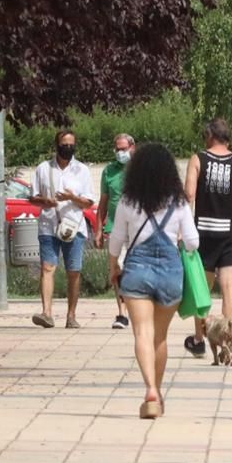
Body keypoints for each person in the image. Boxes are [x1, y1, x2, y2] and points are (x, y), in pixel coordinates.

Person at [107, 143, 200, 418]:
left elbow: (116, 242)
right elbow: (193, 242)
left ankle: (149, 389)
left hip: (137, 270)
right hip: (171, 273)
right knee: (160, 338)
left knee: (142, 334)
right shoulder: (180, 202)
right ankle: (158, 393)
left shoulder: (127, 201)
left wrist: (114, 266)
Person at [184, 118, 232, 357]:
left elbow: (189, 195)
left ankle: (200, 339)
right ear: (228, 138)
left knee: (202, 287)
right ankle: (228, 338)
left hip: (204, 231)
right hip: (231, 233)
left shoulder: (198, 159)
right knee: (229, 285)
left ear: (209, 136)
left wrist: (183, 230)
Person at [31, 128, 96, 329]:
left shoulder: (82, 170)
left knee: (73, 272)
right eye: (64, 144)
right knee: (47, 268)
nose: (68, 148)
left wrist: (72, 198)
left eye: (71, 145)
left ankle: (71, 315)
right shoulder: (43, 168)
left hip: (73, 226)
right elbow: (33, 197)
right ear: (56, 145)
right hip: (48, 225)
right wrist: (45, 201)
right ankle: (47, 313)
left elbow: (88, 202)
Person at [97, 132, 136, 330]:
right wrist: (98, 229)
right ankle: (122, 314)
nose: (120, 152)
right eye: (118, 149)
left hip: (137, 227)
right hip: (114, 227)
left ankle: (137, 309)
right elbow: (102, 202)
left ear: (132, 148)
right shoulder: (108, 172)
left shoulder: (141, 169)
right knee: (118, 269)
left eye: (124, 149)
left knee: (134, 269)